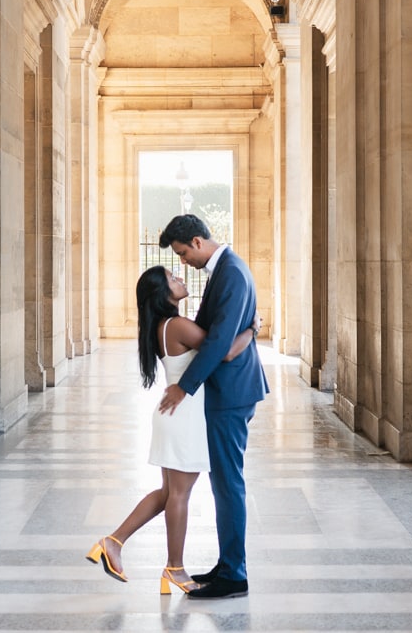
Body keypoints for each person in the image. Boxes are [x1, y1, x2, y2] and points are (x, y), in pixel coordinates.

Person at [85, 264, 258, 594]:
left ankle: (113, 542)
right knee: (179, 495)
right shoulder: (176, 325)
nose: (180, 279)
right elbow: (224, 352)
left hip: (177, 415)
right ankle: (174, 569)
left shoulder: (164, 325)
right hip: (184, 416)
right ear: (162, 294)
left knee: (168, 493)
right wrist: (251, 329)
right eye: (172, 279)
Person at [156, 214, 268, 599]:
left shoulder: (232, 273)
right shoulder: (223, 272)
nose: (183, 262)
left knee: (228, 484)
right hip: (227, 393)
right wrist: (251, 330)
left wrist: (183, 388)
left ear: (198, 242)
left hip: (231, 395)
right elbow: (217, 335)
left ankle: (234, 574)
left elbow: (218, 345)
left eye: (184, 253)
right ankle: (227, 564)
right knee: (223, 484)